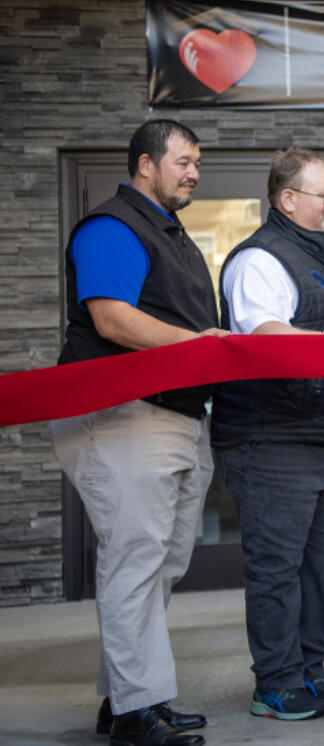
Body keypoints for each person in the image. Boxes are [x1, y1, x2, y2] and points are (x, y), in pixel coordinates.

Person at [50, 120, 226, 746]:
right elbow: (113, 318)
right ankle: (135, 713)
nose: (193, 172)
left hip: (175, 417)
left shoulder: (172, 235)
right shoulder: (112, 226)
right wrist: (203, 348)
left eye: (198, 162)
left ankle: (131, 695)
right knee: (135, 561)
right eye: (183, 161)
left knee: (161, 562)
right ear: (146, 164)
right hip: (123, 416)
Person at [210, 147, 324, 721]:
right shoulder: (259, 259)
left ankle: (309, 669)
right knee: (277, 569)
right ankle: (274, 682)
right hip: (272, 437)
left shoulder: (323, 258)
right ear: (288, 199)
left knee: (322, 565)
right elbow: (264, 333)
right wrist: (318, 343)